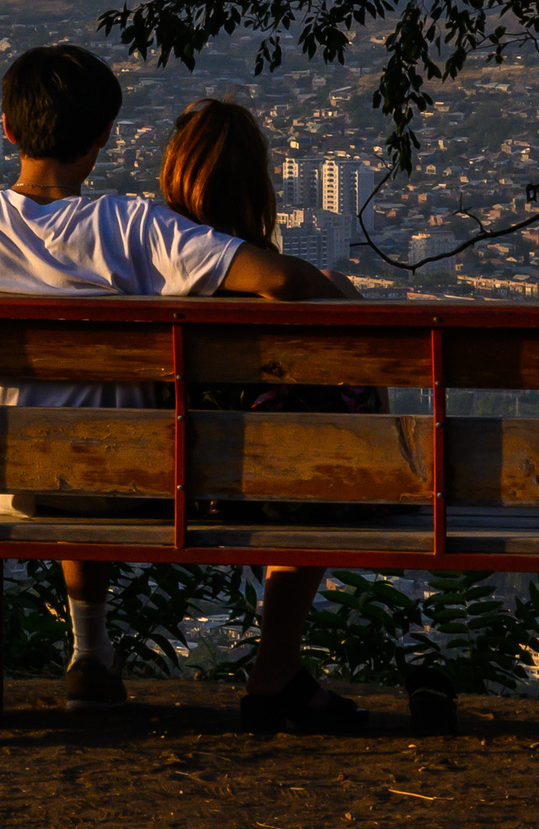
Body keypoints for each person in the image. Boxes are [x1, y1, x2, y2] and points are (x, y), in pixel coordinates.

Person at [0, 45, 359, 723]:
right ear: (102, 139)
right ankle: (262, 664)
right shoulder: (133, 225)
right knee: (91, 439)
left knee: (59, 440)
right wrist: (341, 292)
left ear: (6, 127)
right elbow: (285, 282)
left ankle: (90, 648)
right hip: (133, 482)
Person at [155, 96, 370, 734]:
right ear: (260, 188)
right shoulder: (304, 285)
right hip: (282, 491)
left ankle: (92, 655)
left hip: (161, 484)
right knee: (306, 475)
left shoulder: (140, 268)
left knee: (291, 473)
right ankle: (275, 666)